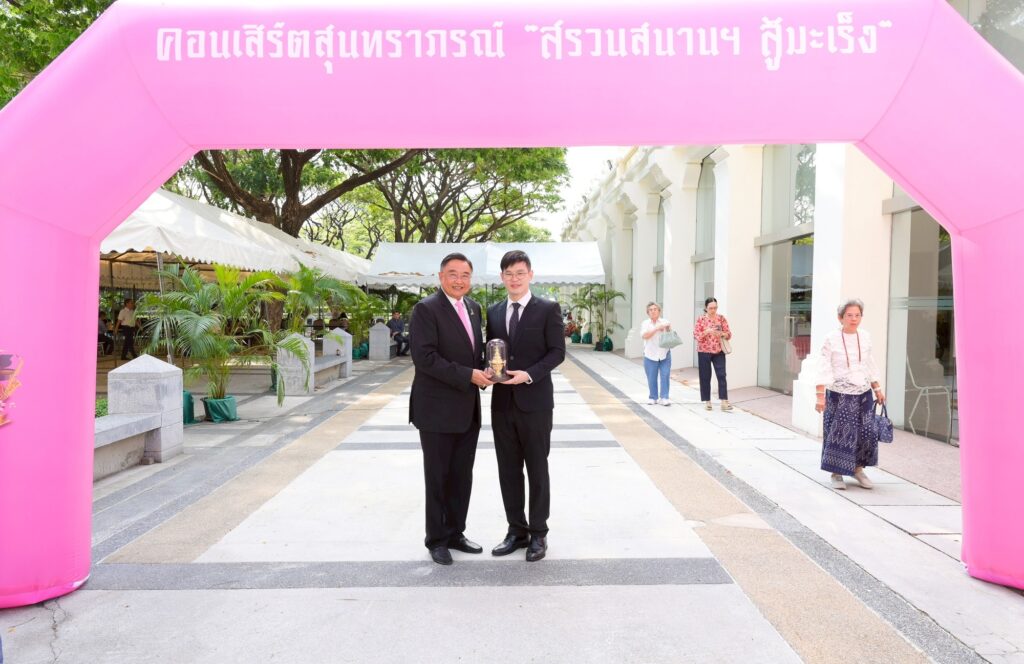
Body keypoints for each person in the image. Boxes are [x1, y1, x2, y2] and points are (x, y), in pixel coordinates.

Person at [409, 253, 490, 565]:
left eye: (465, 275)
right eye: (453, 274)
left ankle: (456, 532)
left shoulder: (474, 308)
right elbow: (425, 358)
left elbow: (473, 353)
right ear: (441, 276)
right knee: (438, 477)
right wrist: (468, 375)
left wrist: (487, 370)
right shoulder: (426, 309)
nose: (459, 280)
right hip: (436, 410)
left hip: (468, 409)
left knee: (461, 476)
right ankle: (437, 539)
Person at [485, 250, 566, 562]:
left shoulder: (547, 309)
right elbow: (491, 351)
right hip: (502, 403)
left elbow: (557, 352)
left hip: (536, 403)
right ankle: (516, 531)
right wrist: (487, 370)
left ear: (530, 274)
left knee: (537, 469)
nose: (514, 279)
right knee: (508, 470)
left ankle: (538, 533)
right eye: (508, 274)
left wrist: (529, 374)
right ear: (502, 277)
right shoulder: (494, 312)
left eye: (520, 273)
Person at [815, 299, 886, 490]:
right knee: (839, 433)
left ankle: (858, 470)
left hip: (863, 393)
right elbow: (823, 365)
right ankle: (836, 473)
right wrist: (820, 395)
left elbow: (869, 363)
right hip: (839, 394)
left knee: (865, 432)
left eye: (857, 315)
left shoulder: (865, 337)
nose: (854, 319)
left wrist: (877, 388)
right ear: (840, 318)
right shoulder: (831, 338)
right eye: (849, 315)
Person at [693, 297, 732, 411]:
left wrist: (722, 334)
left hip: (719, 351)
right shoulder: (701, 319)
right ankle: (707, 401)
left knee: (721, 375)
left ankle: (724, 401)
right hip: (704, 351)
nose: (713, 310)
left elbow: (729, 334)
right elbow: (696, 335)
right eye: (711, 308)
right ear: (706, 308)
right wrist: (707, 331)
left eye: (715, 308)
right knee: (705, 376)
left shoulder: (721, 318)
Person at [640, 302, 673, 406]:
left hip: (664, 354)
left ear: (659, 311)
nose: (653, 311)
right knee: (651, 377)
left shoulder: (665, 321)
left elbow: (670, 334)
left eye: (655, 309)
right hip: (650, 354)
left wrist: (667, 328)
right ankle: (653, 397)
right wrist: (656, 328)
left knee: (665, 376)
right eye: (650, 310)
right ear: (648, 312)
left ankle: (664, 397)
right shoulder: (645, 323)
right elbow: (645, 336)